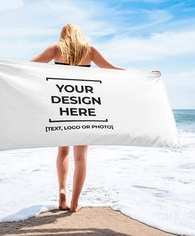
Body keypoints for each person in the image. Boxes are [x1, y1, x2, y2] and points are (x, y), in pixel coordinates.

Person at [30, 23, 125, 213]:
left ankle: (62, 191)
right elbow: (112, 69)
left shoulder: (56, 49)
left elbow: (27, 67)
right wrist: (144, 77)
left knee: (63, 152)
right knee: (81, 157)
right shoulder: (89, 51)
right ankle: (74, 203)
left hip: (62, 106)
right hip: (83, 107)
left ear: (63, 35)